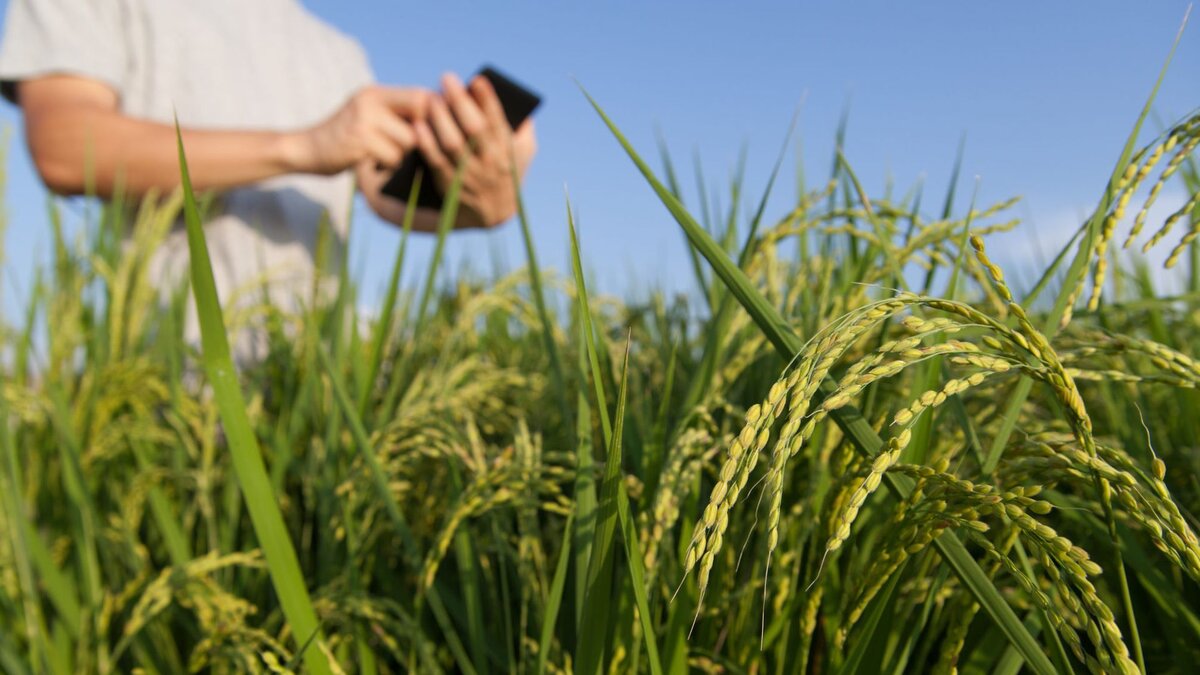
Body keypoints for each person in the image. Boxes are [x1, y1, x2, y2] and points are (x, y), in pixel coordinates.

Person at [0, 0, 536, 355]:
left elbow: (387, 196)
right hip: (168, 374)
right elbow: (66, 147)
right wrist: (302, 147)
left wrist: (482, 193)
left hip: (313, 387)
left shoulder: (335, 50)